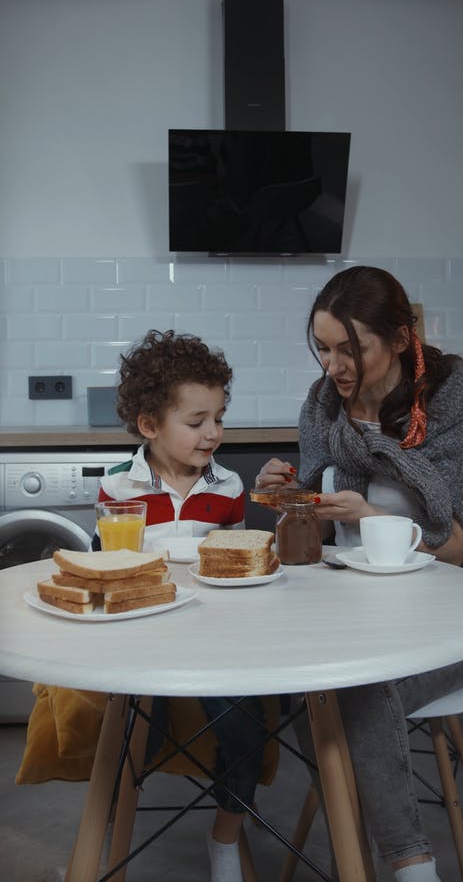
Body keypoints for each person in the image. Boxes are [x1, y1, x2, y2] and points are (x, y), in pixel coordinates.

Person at [255, 265, 463, 882]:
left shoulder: (453, 407)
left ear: (398, 338)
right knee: (326, 687)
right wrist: (282, 493)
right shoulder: (322, 405)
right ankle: (364, 863)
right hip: (350, 617)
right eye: (325, 347)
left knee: (351, 690)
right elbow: (308, 510)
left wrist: (370, 518)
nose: (334, 366)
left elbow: (459, 548)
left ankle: (399, 865)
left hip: (450, 624)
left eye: (351, 349)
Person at [94, 329, 267, 882]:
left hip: (217, 639)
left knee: (245, 728)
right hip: (144, 638)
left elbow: (237, 567)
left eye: (219, 417)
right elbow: (107, 571)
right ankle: (117, 825)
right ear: (150, 425)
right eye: (196, 423)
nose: (213, 433)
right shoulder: (118, 489)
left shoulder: (230, 485)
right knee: (135, 735)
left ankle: (225, 837)